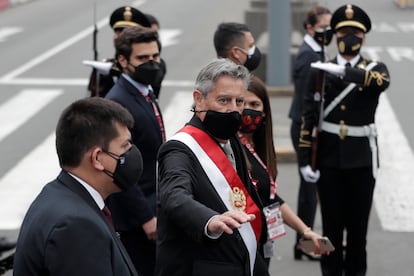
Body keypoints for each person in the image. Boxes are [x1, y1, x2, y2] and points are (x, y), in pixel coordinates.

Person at [299, 4, 390, 276]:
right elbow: (308, 117)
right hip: (329, 161)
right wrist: (305, 160)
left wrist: (345, 73)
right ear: (335, 37)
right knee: (331, 231)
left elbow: (380, 81)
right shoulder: (319, 71)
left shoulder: (374, 68)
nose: (349, 38)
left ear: (363, 38)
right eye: (343, 32)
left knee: (358, 233)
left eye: (355, 33)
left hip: (361, 162)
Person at [156, 59, 269, 276]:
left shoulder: (231, 139)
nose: (233, 110)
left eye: (239, 101)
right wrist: (209, 220)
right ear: (199, 99)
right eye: (224, 100)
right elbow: (174, 196)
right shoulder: (179, 149)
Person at [13, 97, 143, 275]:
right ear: (97, 158)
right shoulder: (77, 226)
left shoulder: (59, 195)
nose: (131, 152)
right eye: (125, 146)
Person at [239, 75, 324, 267]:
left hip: (263, 239)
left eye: (255, 104)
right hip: (243, 243)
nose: (249, 110)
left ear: (265, 111)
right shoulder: (231, 148)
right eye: (243, 103)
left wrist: (305, 230)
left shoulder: (259, 146)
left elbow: (271, 197)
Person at [105, 26, 164, 276]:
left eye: (155, 57)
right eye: (142, 58)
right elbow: (119, 168)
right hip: (136, 220)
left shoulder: (145, 91)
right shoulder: (119, 102)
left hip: (154, 205)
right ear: (122, 60)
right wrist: (146, 218)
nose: (151, 64)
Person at [288, 5, 332, 261]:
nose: (328, 32)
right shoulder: (308, 56)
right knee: (309, 188)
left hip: (310, 127)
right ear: (310, 28)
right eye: (323, 27)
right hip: (306, 128)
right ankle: (304, 244)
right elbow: (307, 104)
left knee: (310, 189)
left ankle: (304, 243)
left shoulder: (316, 50)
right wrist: (307, 147)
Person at [86, 6, 166, 98]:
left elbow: (152, 79)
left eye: (128, 32)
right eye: (119, 31)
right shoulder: (105, 67)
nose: (121, 36)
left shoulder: (154, 64)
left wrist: (116, 70)